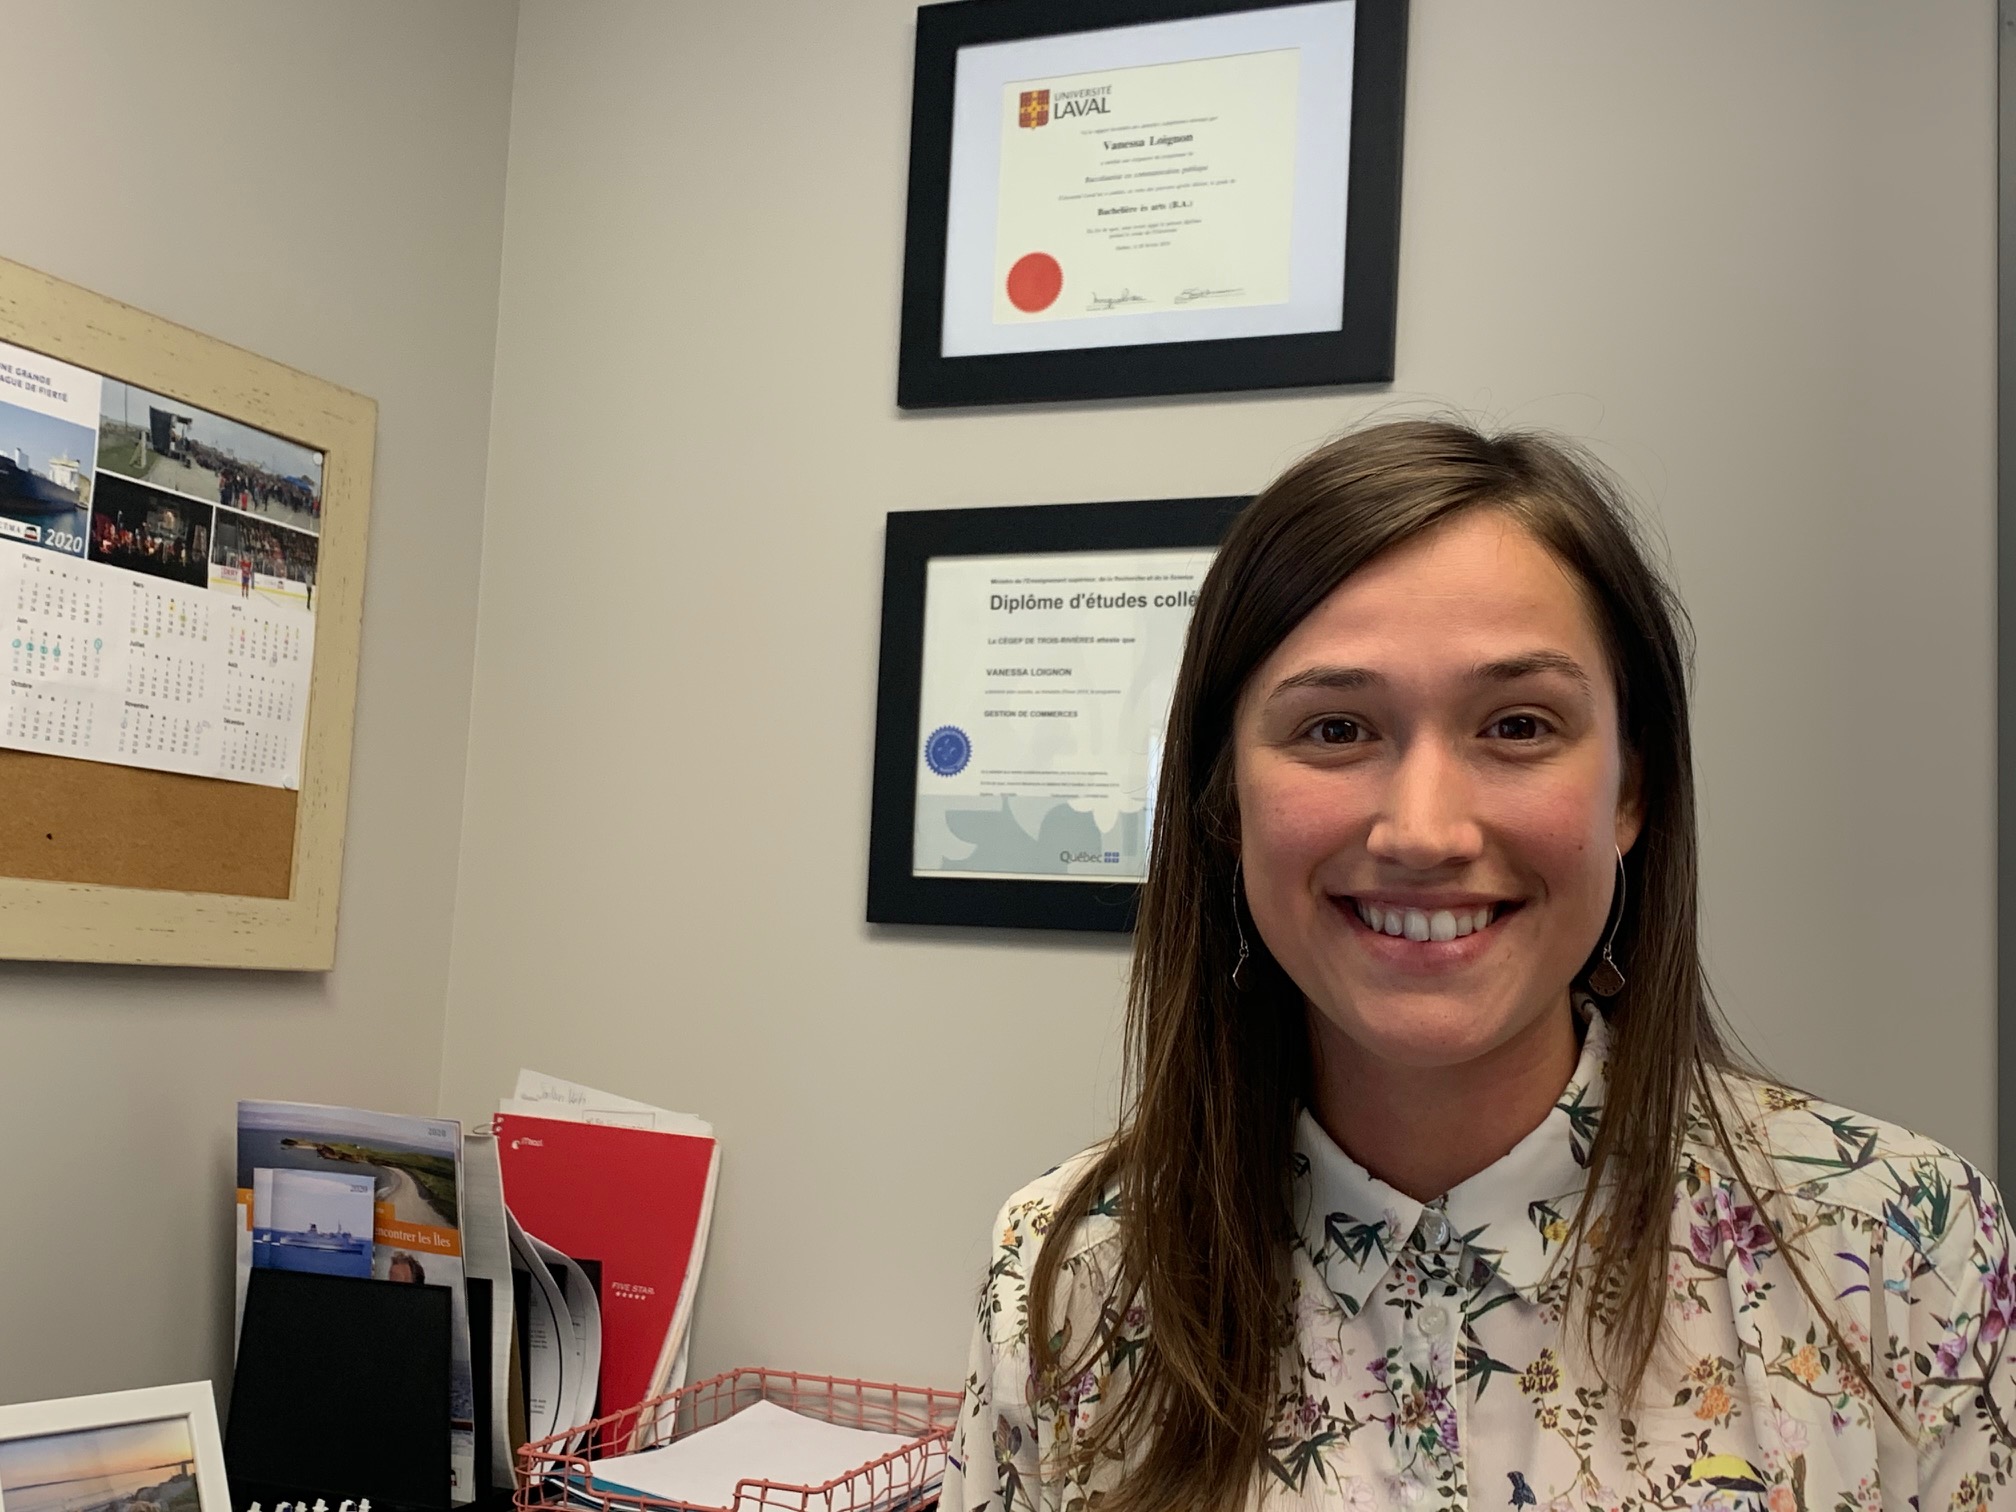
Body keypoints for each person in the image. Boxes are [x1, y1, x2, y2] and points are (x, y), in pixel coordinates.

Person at [943, 418, 2015, 1512]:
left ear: (1631, 792)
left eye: (1517, 726)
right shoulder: (1071, 1272)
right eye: (1335, 730)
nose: (1424, 832)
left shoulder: (1895, 1247)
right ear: (1225, 803)